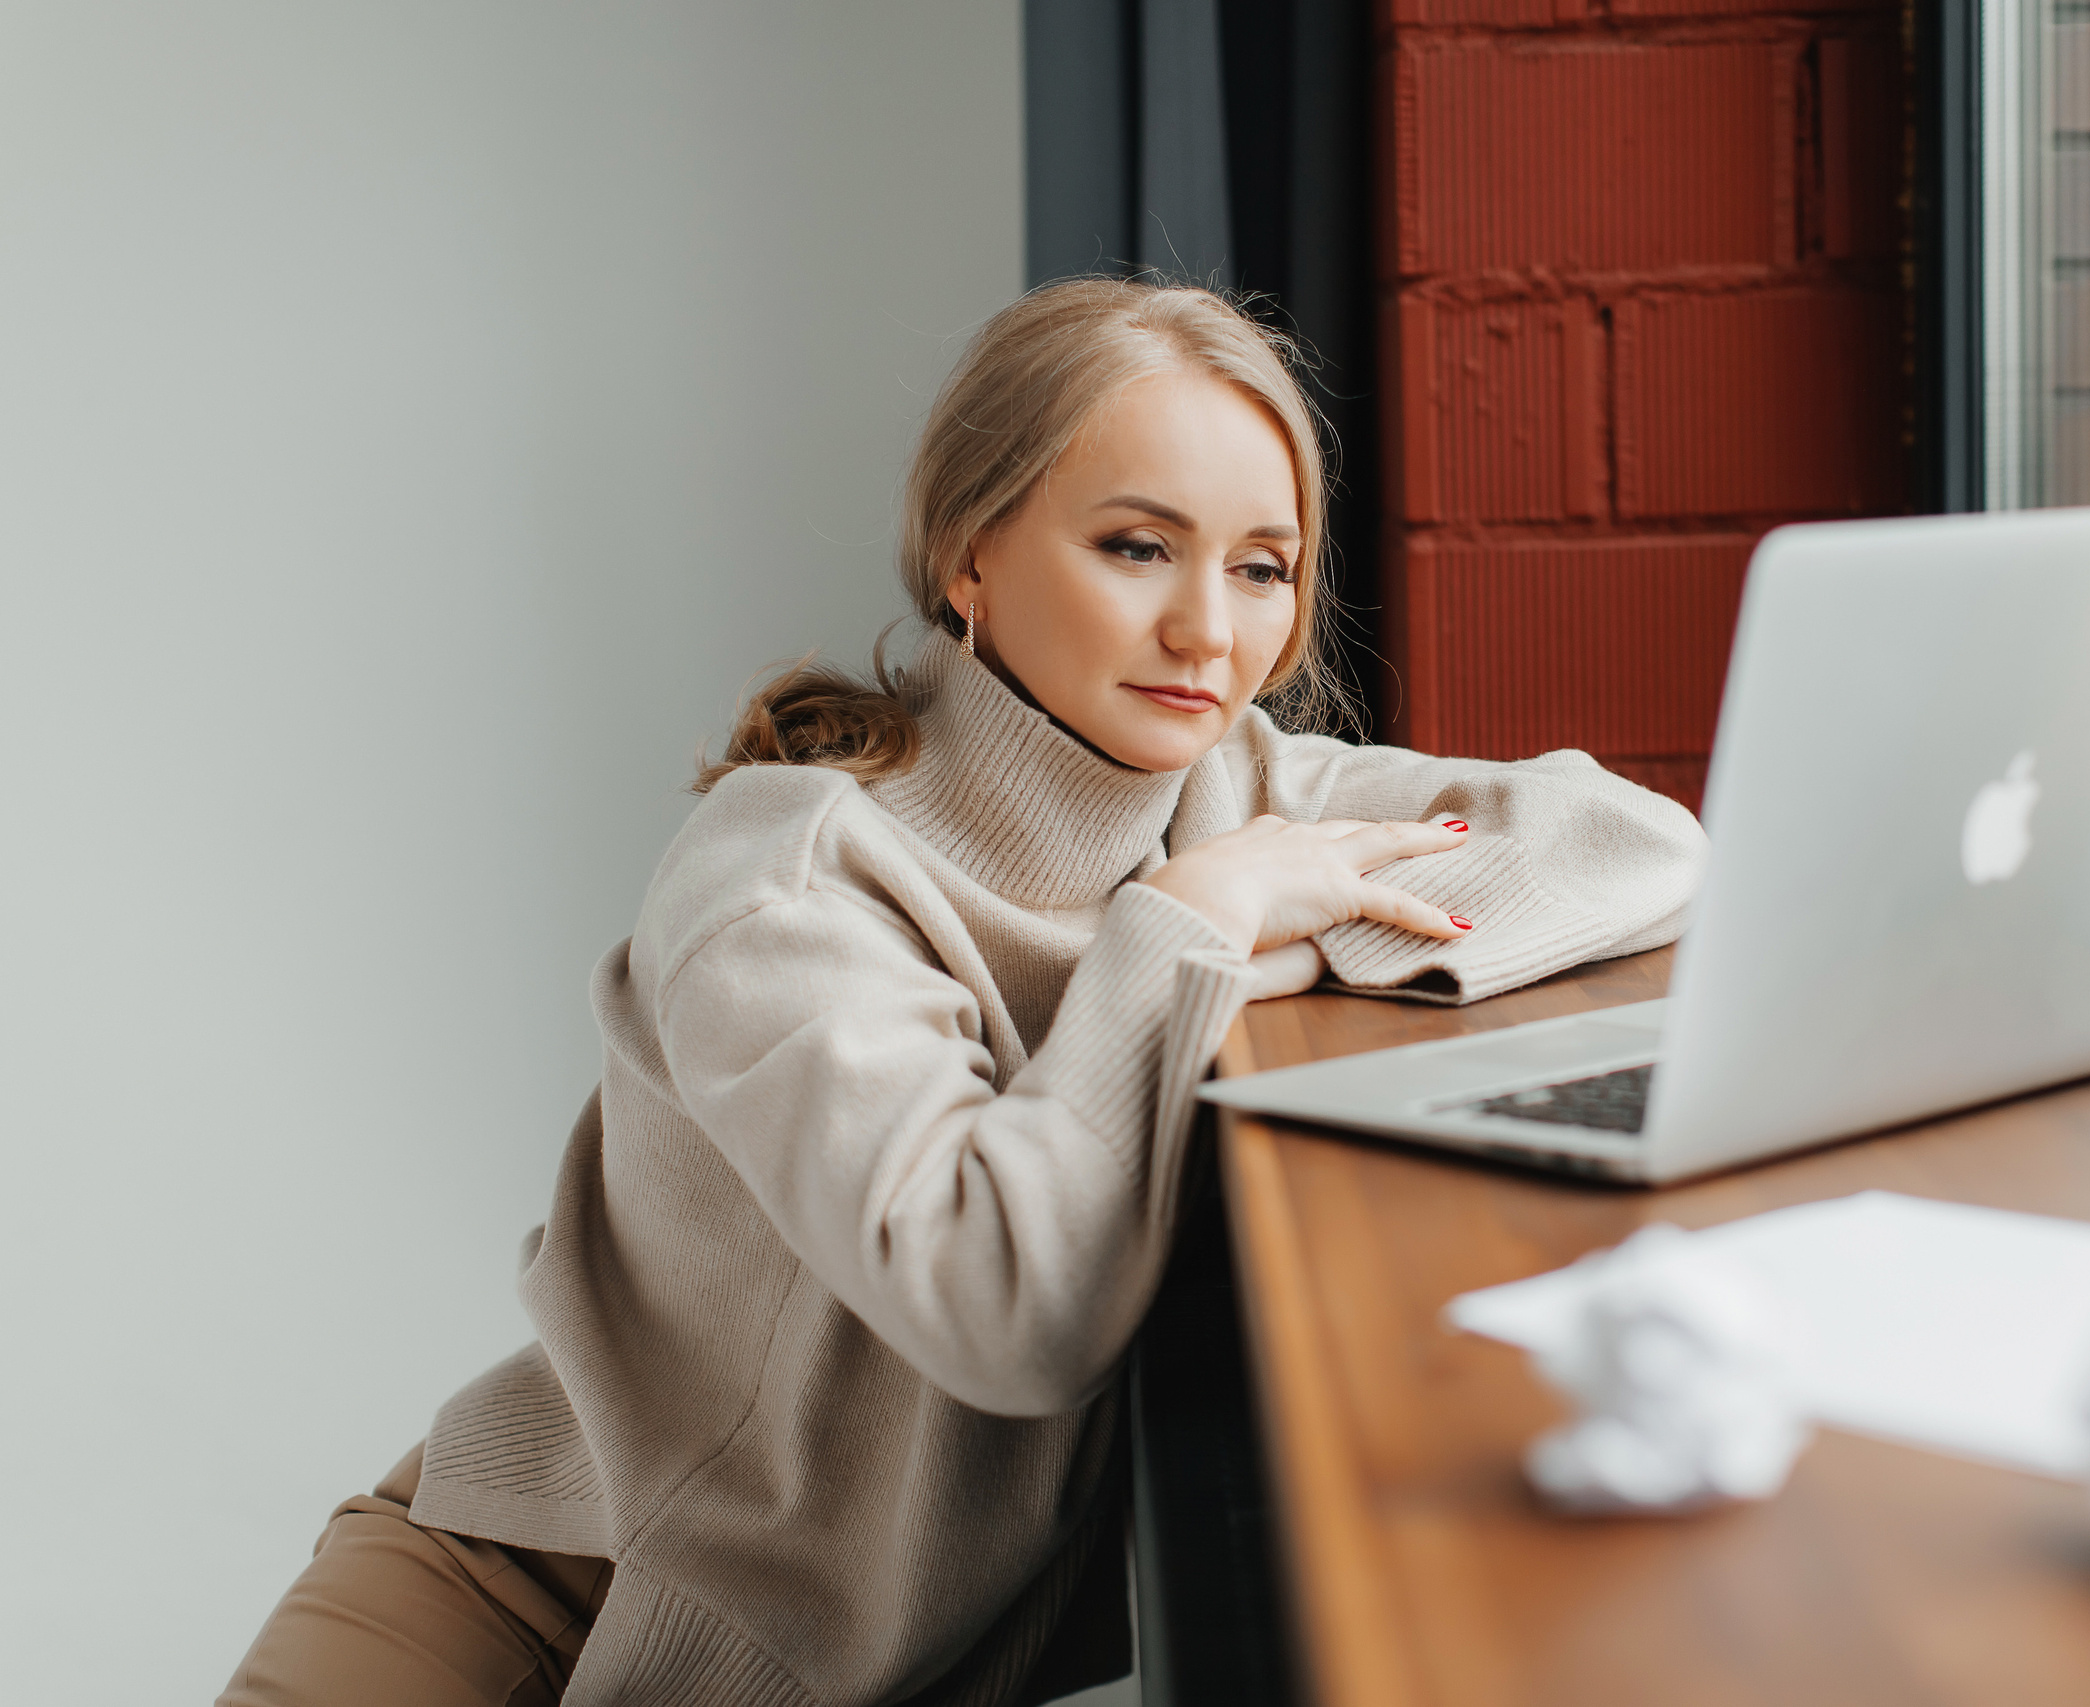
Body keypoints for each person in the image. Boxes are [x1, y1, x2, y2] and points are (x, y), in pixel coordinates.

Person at [220, 279, 1706, 1707]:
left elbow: (1642, 845)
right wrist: (1190, 934)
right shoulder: (794, 879)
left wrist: (1269, 936)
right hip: (540, 1612)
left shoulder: (1222, 787)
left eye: (1261, 565)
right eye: (1137, 546)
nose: (1209, 630)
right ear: (969, 557)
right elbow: (1008, 1311)